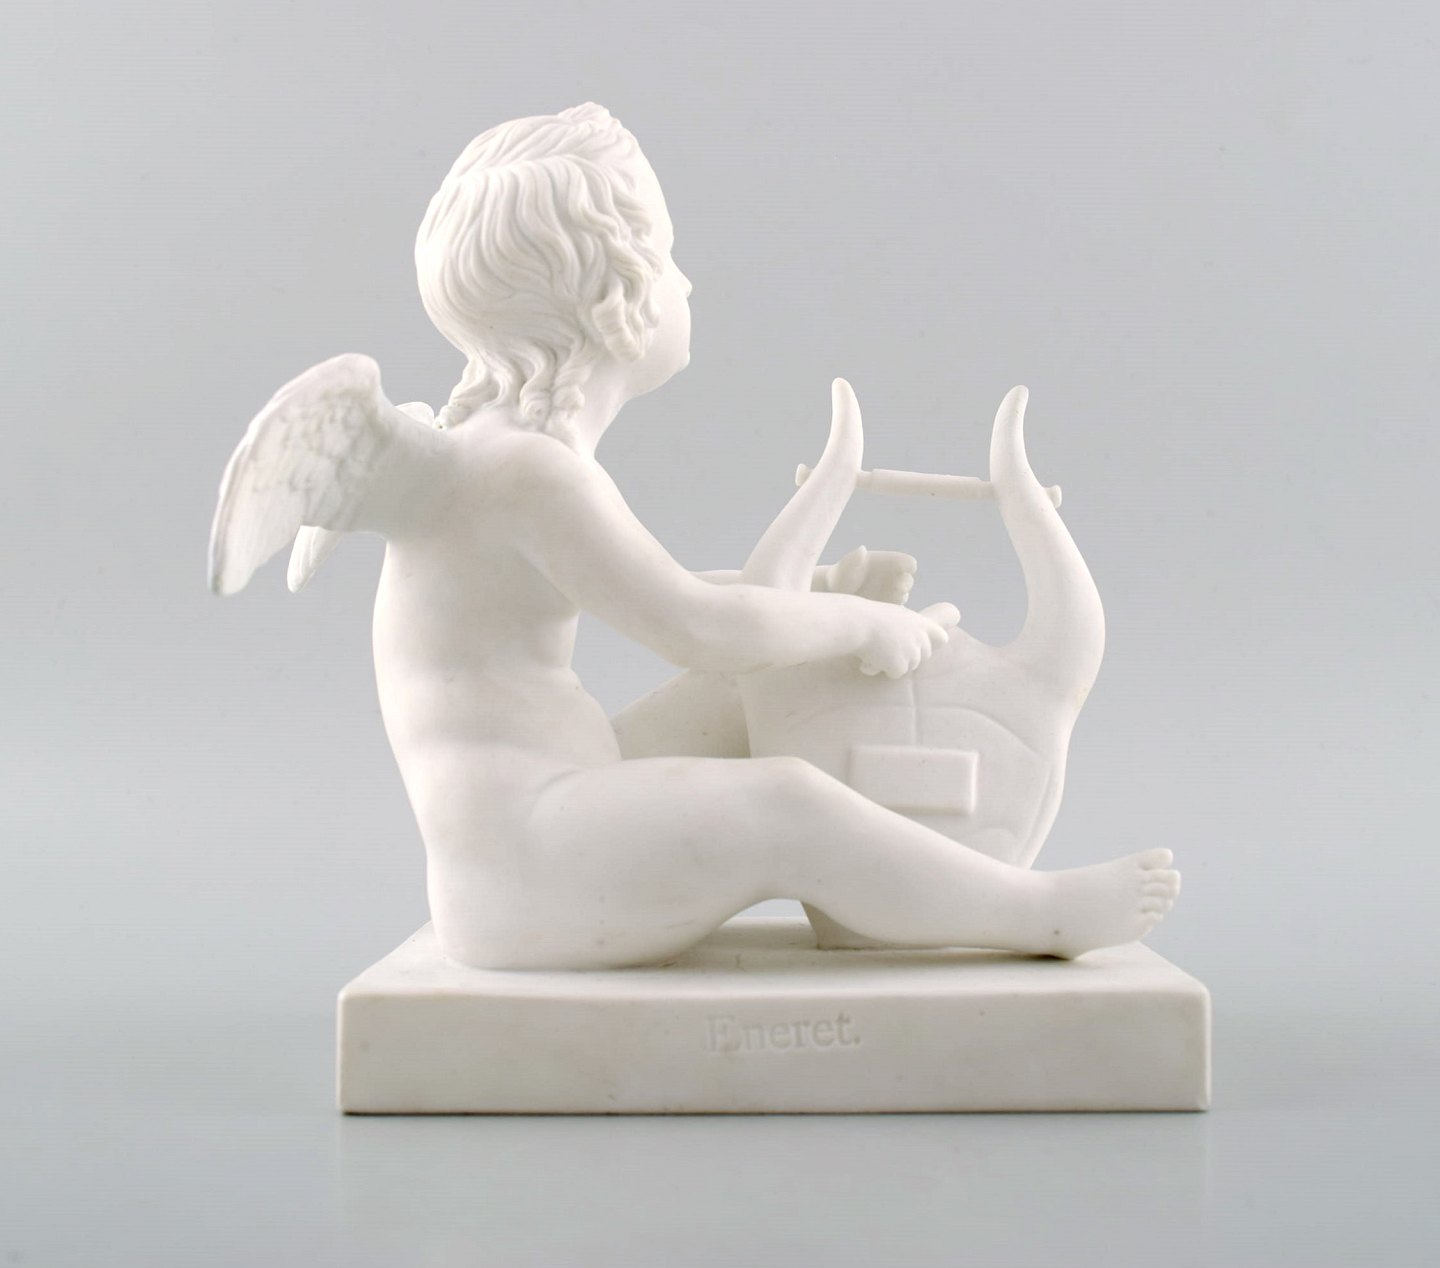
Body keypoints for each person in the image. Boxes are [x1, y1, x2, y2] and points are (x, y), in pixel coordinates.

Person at [210, 104, 1178, 969]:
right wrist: (858, 625)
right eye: (668, 258)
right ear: (615, 296)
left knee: (754, 688)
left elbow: (652, 590)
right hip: (529, 869)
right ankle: (1033, 910)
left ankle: (894, 886)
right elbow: (698, 625)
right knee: (783, 796)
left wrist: (812, 597)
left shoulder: (490, 456)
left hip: (552, 816)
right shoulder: (532, 474)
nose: (686, 280)